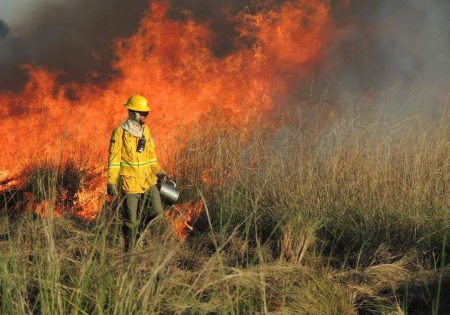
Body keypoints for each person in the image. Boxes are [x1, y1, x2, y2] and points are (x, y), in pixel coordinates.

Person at [106, 95, 167, 251]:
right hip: (130, 183)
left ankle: (140, 233)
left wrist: (159, 172)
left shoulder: (145, 130)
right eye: (143, 113)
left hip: (148, 181)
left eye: (147, 113)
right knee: (130, 221)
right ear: (132, 112)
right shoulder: (120, 133)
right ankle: (130, 251)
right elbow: (114, 160)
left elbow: (151, 157)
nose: (146, 116)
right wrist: (111, 182)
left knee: (157, 212)